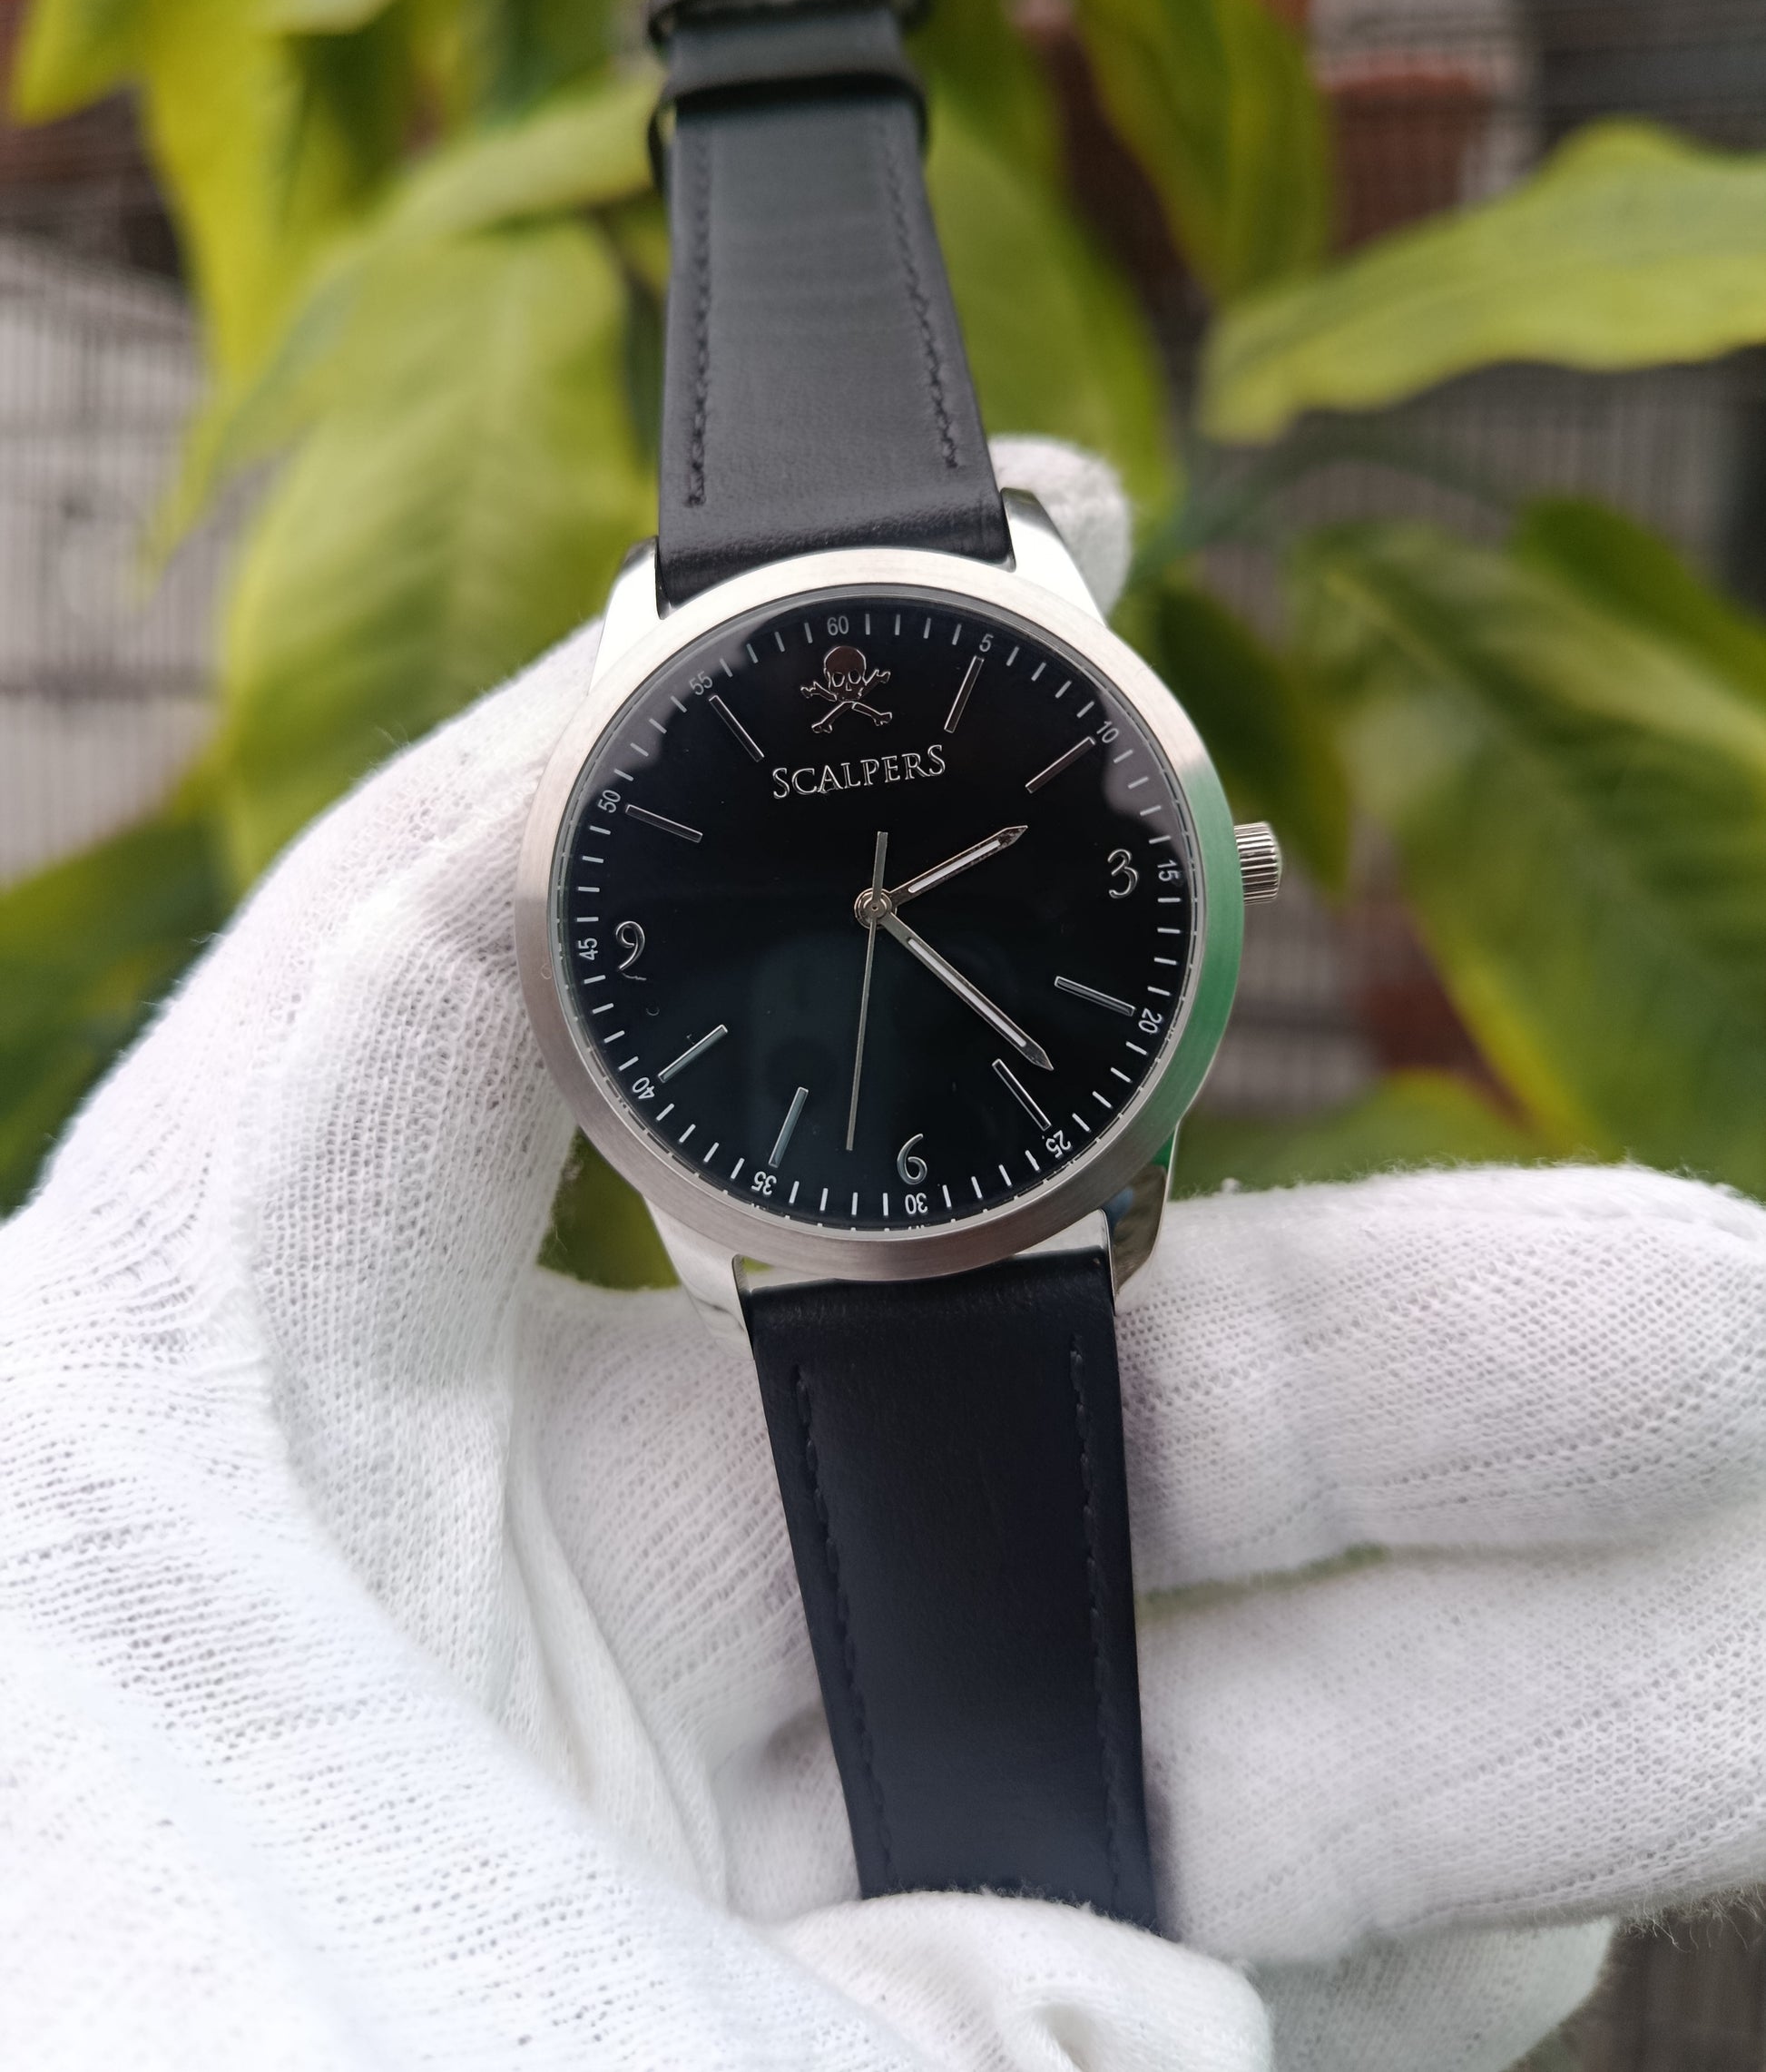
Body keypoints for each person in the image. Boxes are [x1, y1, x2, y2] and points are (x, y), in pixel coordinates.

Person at [5, 445, 1764, 2072]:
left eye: (905, 884)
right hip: (826, 1193)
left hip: (962, 1163)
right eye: (852, 896)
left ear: (1218, 872)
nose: (872, 899)